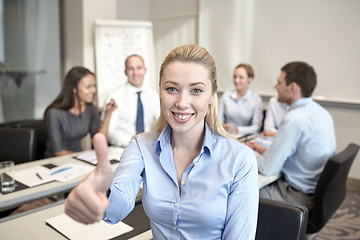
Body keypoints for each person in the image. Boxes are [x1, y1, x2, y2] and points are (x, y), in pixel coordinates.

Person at [65, 44, 259, 239]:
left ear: (212, 94)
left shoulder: (239, 159)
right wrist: (103, 195)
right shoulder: (142, 146)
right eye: (172, 89)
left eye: (196, 90)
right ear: (160, 91)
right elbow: (119, 203)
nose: (182, 103)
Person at [247, 61, 336, 210]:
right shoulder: (323, 113)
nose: (275, 86)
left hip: (298, 196)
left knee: (245, 191)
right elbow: (292, 154)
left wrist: (246, 152)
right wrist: (260, 149)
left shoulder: (294, 119)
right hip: (315, 192)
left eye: (279, 82)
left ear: (293, 87)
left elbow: (267, 168)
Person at [44, 66, 116, 157]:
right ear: (74, 88)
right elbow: (58, 152)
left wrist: (108, 113)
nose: (93, 90)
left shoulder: (91, 109)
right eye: (88, 87)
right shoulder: (54, 113)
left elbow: (99, 141)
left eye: (94, 86)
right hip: (56, 162)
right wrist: (85, 157)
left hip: (78, 159)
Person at [103, 54, 160, 147]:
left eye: (139, 68)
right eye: (131, 69)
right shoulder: (114, 97)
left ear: (145, 70)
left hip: (147, 146)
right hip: (123, 147)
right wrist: (133, 140)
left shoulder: (153, 95)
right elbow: (109, 131)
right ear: (125, 72)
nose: (135, 73)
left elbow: (161, 121)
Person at [218, 63, 263, 137]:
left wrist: (237, 130)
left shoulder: (256, 100)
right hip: (225, 135)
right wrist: (221, 126)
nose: (236, 80)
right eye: (235, 77)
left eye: (241, 77)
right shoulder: (226, 96)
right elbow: (218, 120)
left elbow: (256, 127)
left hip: (245, 138)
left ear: (250, 79)